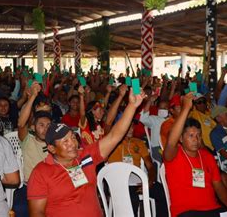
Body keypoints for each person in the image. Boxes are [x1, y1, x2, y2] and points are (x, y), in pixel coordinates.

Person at [27, 88, 146, 216]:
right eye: (65, 142)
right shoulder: (41, 173)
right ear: (52, 148)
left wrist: (132, 106)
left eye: (73, 137)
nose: (72, 144)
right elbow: (37, 213)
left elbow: (114, 136)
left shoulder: (85, 156)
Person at [163, 92, 227, 217]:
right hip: (187, 211)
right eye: (191, 136)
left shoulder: (206, 156)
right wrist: (186, 108)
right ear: (180, 138)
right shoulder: (174, 155)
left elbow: (218, 185)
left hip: (213, 209)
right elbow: (170, 141)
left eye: (198, 136)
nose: (196, 139)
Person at [15, 82, 53, 217]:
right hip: (29, 187)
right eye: (41, 125)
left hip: (51, 188)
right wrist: (32, 97)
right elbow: (21, 123)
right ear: (33, 127)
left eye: (48, 125)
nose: (45, 129)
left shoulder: (56, 143)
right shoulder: (27, 140)